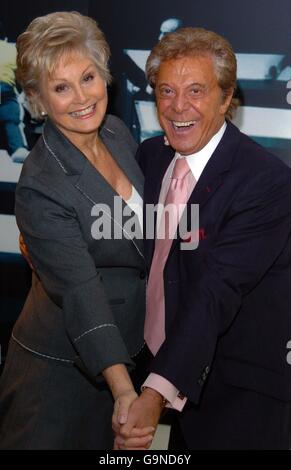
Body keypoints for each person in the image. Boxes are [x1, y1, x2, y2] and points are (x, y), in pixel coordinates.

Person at [115, 27, 291, 450]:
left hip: (236, 391)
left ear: (226, 98)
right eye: (166, 91)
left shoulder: (266, 181)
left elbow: (215, 290)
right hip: (157, 363)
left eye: (196, 90)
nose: (178, 107)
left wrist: (155, 393)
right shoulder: (151, 156)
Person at [0, 11, 153, 450]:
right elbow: (81, 292)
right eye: (61, 87)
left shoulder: (118, 134)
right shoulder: (40, 184)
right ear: (38, 99)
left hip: (122, 359)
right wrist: (124, 389)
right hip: (58, 378)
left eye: (88, 77)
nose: (81, 97)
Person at [0, 21, 29, 162]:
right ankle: (17, 148)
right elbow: (22, 75)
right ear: (5, 38)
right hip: (4, 87)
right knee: (11, 120)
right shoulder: (12, 50)